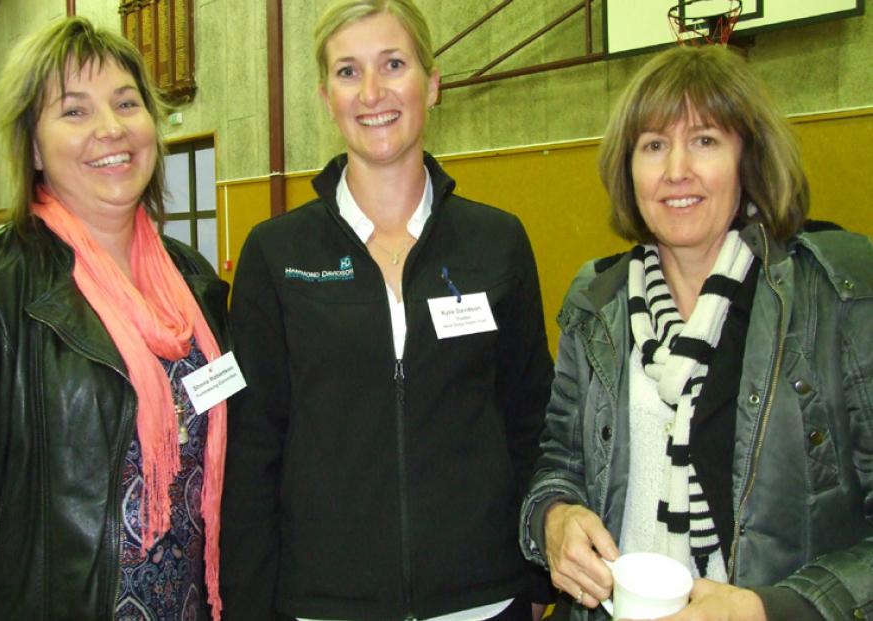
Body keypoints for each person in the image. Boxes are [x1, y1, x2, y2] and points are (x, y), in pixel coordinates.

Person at [221, 1, 554, 619]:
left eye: (392, 64)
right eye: (348, 72)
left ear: (431, 84)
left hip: (482, 599)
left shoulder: (496, 241)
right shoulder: (276, 254)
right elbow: (253, 451)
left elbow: (530, 417)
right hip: (324, 603)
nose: (372, 92)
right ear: (326, 97)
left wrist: (535, 582)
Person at [519, 43, 873, 621]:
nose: (676, 169)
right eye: (654, 145)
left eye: (705, 140)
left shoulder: (836, 297)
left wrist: (768, 610)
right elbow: (558, 461)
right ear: (628, 167)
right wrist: (553, 518)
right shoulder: (597, 303)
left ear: (747, 159)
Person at [0, 17, 232, 620]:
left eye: (126, 103)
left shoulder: (192, 281)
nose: (110, 129)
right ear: (34, 147)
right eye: (75, 111)